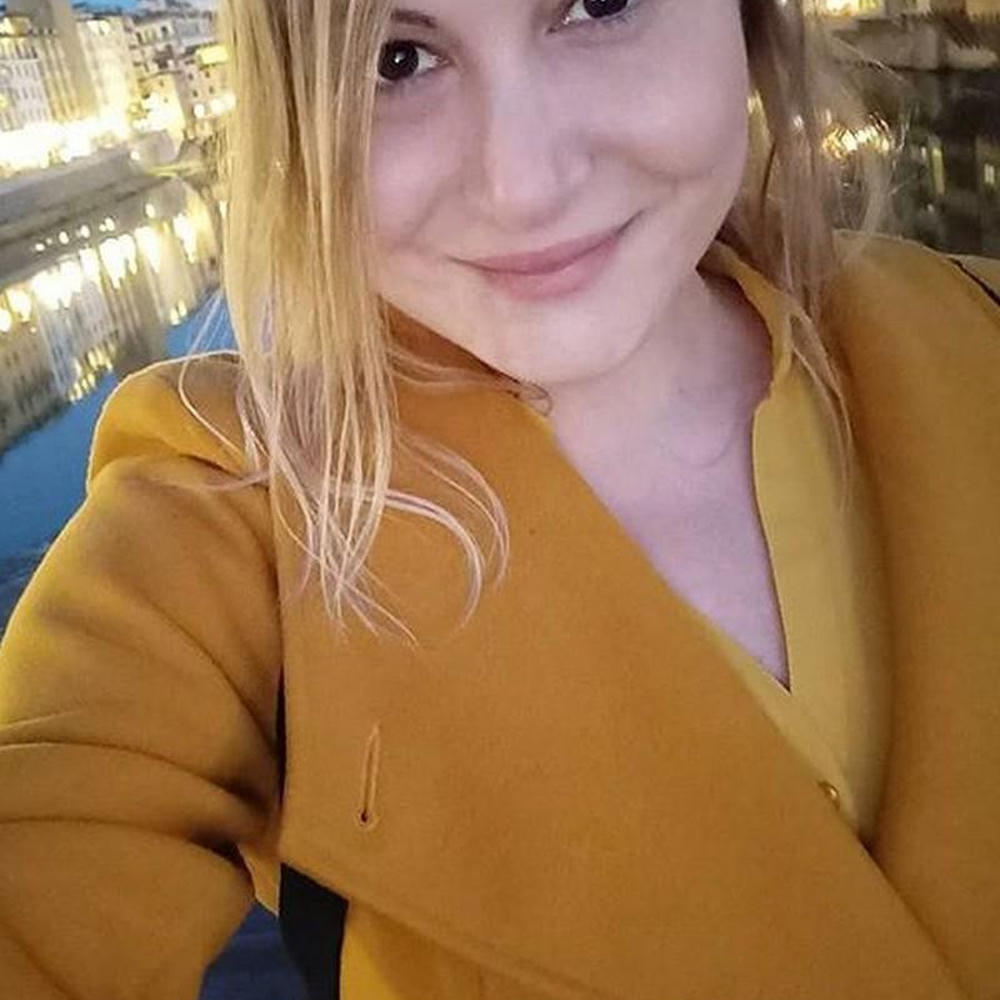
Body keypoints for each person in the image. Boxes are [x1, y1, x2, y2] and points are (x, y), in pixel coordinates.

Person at [1, 1, 998, 998]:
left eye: (600, 3)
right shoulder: (231, 526)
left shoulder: (971, 332)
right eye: (397, 61)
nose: (523, 185)